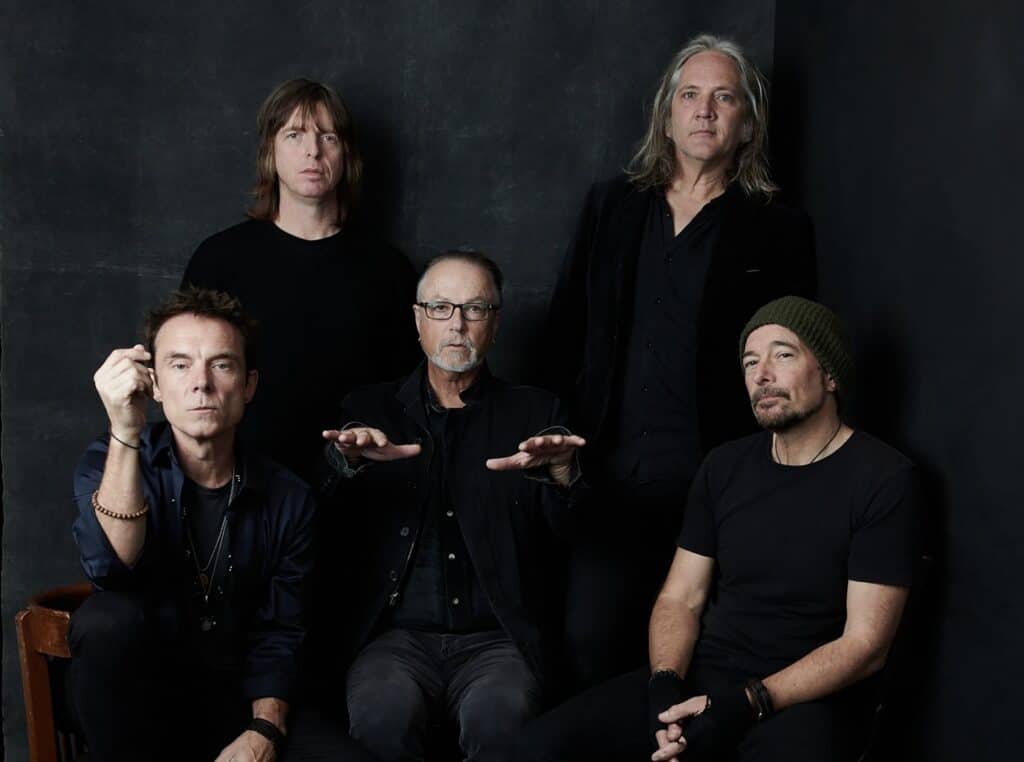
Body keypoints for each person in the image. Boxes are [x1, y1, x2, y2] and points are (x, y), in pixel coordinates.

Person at [515, 296, 922, 762]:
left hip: (802, 698)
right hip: (703, 673)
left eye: (783, 355)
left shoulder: (884, 478)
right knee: (536, 750)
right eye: (750, 361)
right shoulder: (725, 466)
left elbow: (865, 645)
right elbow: (680, 598)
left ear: (830, 375)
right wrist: (665, 685)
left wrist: (746, 703)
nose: (761, 374)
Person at [547, 33, 818, 689]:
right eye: (690, 95)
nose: (704, 110)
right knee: (590, 645)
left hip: (715, 487)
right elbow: (564, 330)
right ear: (666, 116)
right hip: (606, 479)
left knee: (696, 664)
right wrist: (560, 445)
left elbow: (791, 364)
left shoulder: (778, 228)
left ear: (746, 123)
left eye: (724, 98)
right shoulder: (609, 207)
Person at [68, 287, 373, 762]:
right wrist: (125, 430)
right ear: (154, 383)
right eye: (180, 364)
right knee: (106, 618)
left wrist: (264, 730)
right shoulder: (111, 461)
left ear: (248, 385)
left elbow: (282, 631)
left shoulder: (288, 497)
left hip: (238, 704)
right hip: (141, 714)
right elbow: (112, 570)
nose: (202, 384)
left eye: (222, 365)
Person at [318, 251, 585, 761]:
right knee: (381, 720)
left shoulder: (537, 413)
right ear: (418, 320)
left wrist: (562, 476)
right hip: (395, 640)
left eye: (474, 309)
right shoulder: (367, 409)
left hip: (498, 641)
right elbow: (321, 521)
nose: (457, 324)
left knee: (501, 723)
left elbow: (575, 536)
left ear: (495, 323)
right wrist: (345, 463)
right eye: (440, 308)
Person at [183, 78, 417, 483]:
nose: (313, 151)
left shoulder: (388, 269)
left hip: (358, 486)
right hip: (243, 485)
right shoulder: (219, 259)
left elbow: (409, 390)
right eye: (294, 135)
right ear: (270, 152)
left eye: (328, 137)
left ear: (346, 154)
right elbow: (185, 374)